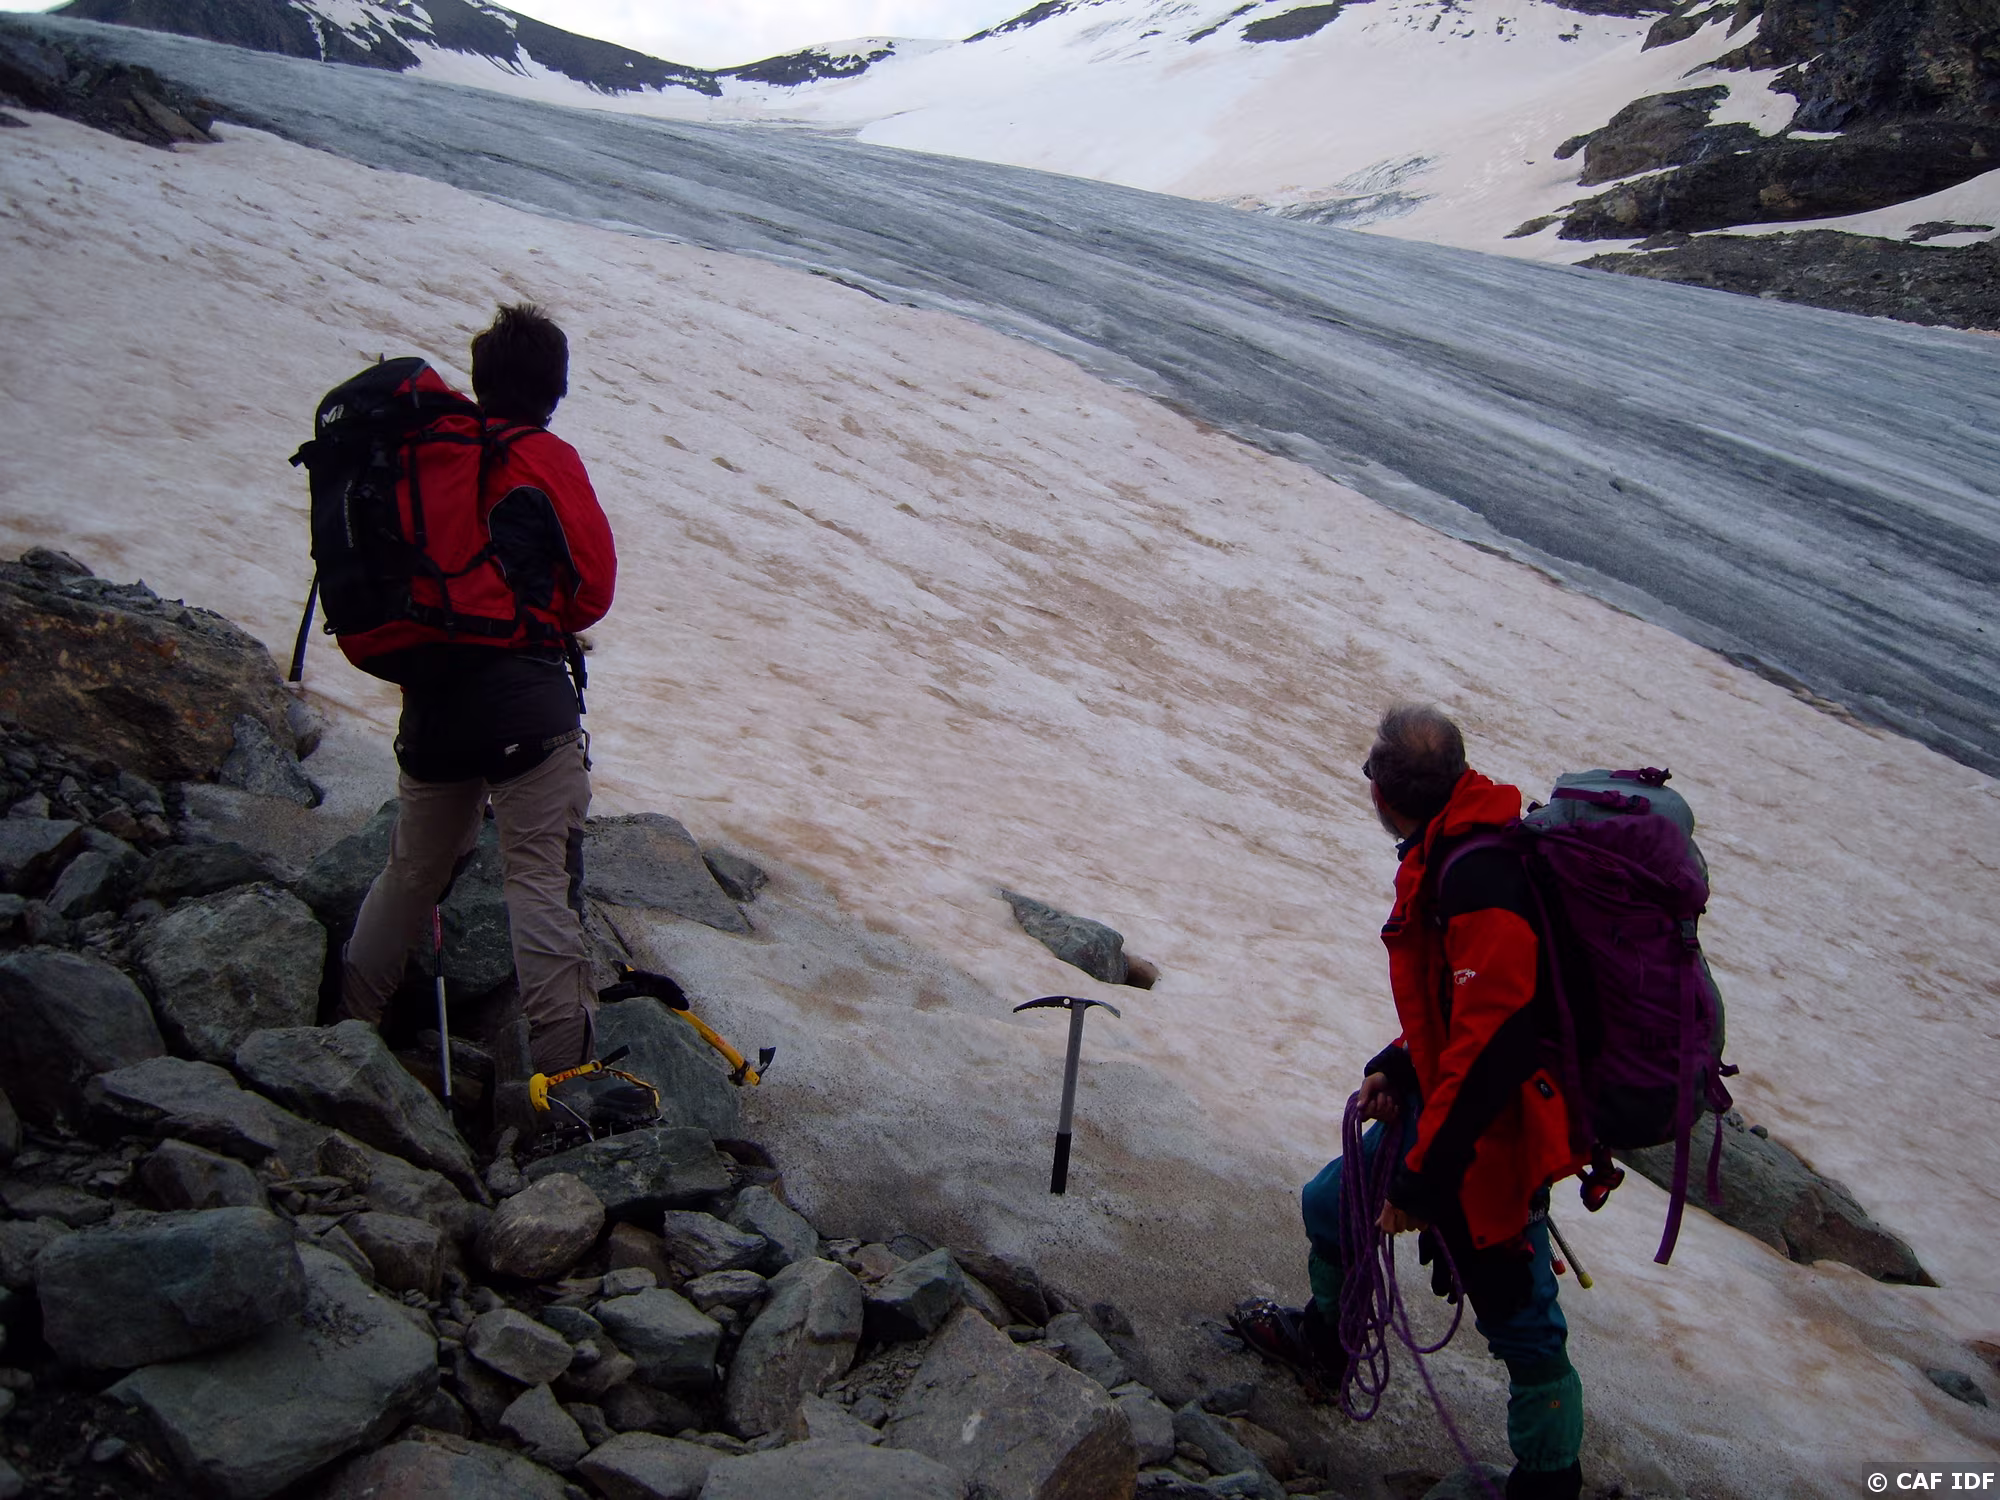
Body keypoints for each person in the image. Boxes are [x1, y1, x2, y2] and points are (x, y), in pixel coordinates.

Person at [1237, 703, 1588, 1500]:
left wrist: (1423, 1181)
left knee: (1518, 1309)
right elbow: (1463, 1009)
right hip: (1451, 1106)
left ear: (1383, 793)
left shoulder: (1476, 875)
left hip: (1494, 1130)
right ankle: (1326, 1343)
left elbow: (1494, 1045)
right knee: (1333, 1204)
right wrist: (1398, 1065)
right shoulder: (1455, 847)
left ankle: (1550, 1482)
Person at [338, 304, 617, 1077]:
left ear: (479, 379)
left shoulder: (429, 455)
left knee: (410, 872)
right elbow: (592, 589)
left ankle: (345, 1031)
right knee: (539, 880)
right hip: (523, 699)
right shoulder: (544, 458)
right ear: (556, 390)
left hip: (433, 694)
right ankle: (567, 1082)